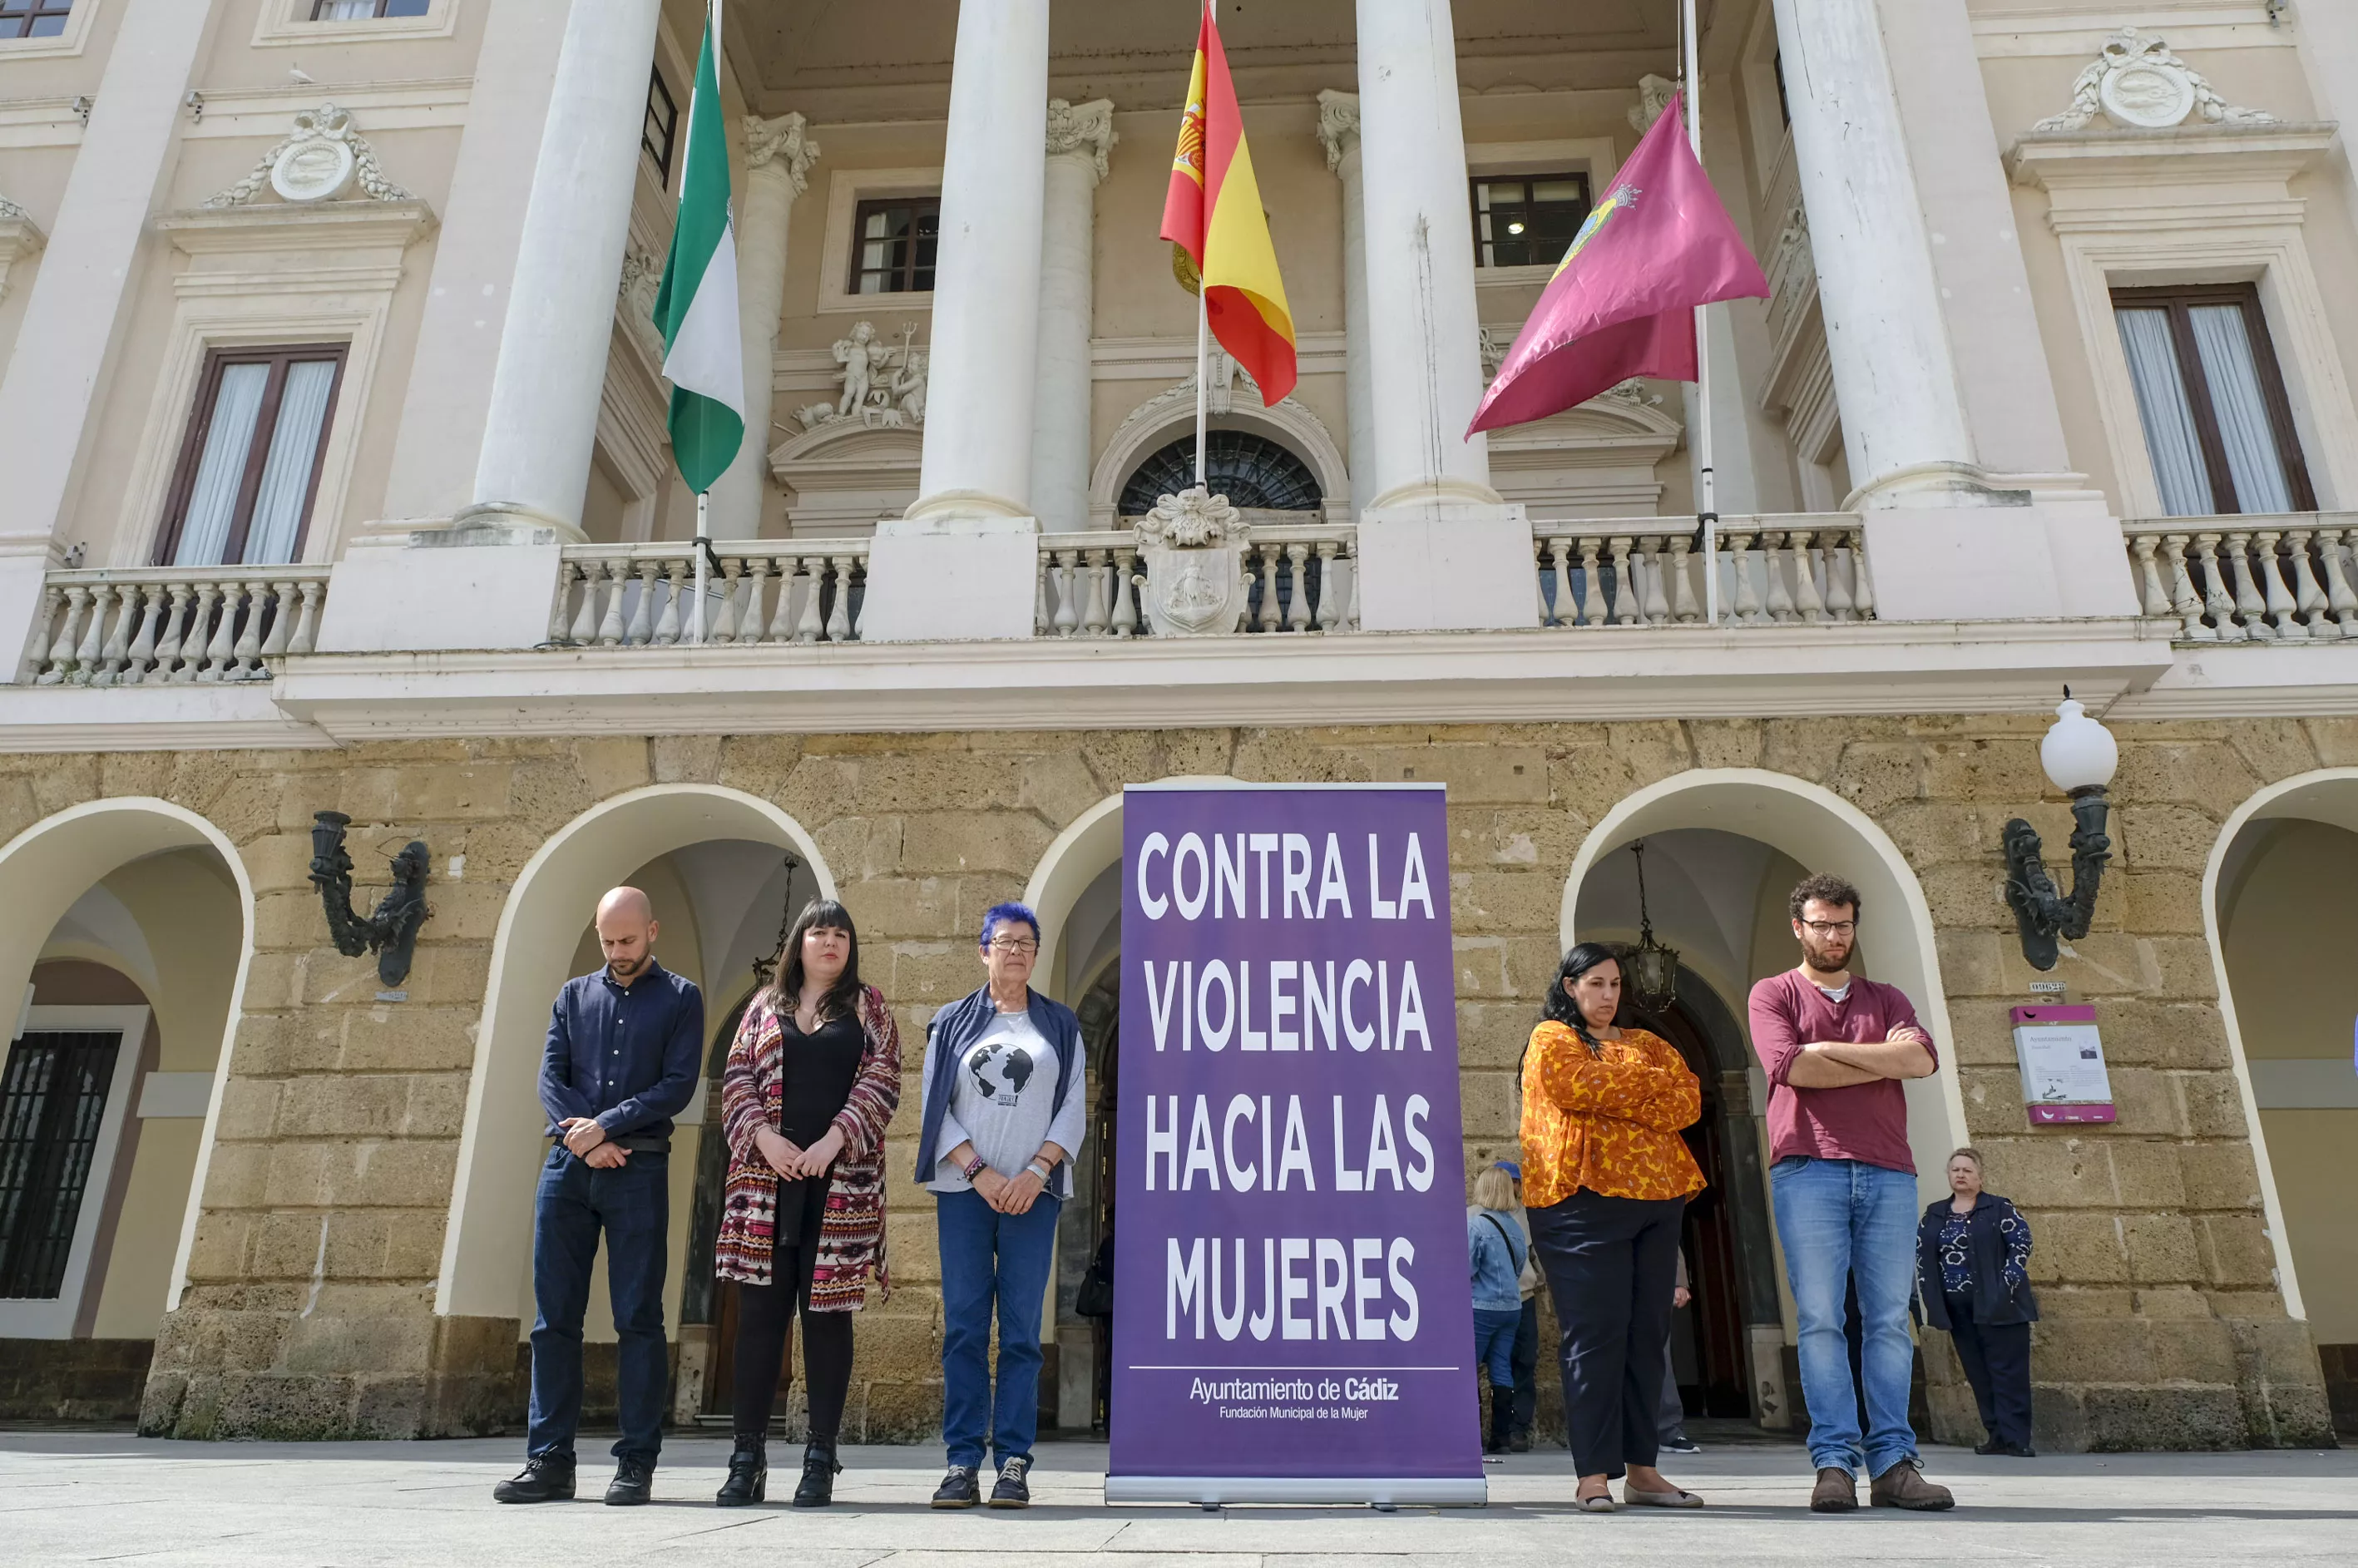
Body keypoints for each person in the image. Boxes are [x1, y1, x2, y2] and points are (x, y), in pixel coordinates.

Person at [1748, 872, 1954, 1514]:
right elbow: (1791, 1067)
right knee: (1818, 1320)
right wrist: (1875, 1055)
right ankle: (1833, 1460)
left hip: (1890, 1169)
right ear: (1797, 927)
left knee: (1890, 1321)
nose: (1832, 935)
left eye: (1841, 925)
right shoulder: (1771, 992)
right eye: (1820, 924)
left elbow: (1920, 1062)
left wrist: (1832, 1050)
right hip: (1807, 1168)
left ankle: (1893, 1461)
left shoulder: (1886, 996)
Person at [497, 887, 702, 1506]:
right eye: (608, 941)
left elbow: (677, 1083)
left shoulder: (683, 998)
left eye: (628, 940)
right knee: (553, 1319)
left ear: (653, 930)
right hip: (566, 1169)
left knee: (638, 1317)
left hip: (638, 1168)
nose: (617, 952)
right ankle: (549, 1459)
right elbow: (549, 1078)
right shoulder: (572, 996)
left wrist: (606, 1127)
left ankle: (635, 1462)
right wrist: (584, 1140)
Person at [712, 899, 902, 1508]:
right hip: (767, 1185)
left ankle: (820, 1454)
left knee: (827, 1320)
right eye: (819, 931)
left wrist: (833, 1139)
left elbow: (883, 1079)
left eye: (841, 933)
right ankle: (747, 1457)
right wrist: (766, 1140)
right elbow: (736, 1076)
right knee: (760, 1321)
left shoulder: (869, 1007)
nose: (830, 941)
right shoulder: (762, 1007)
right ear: (799, 941)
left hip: (840, 1183)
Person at [1520, 942, 1707, 1511]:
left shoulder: (1648, 1042)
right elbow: (1575, 1086)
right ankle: (1592, 1474)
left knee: (1646, 1336)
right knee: (1594, 1336)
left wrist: (1621, 1095)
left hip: (1657, 1197)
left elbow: (1688, 1101)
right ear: (1570, 985)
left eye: (1615, 984)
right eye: (1595, 983)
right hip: (1581, 1201)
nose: (1607, 995)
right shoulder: (1552, 1036)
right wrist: (1646, 1091)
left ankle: (1643, 1470)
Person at [915, 902, 1088, 1510]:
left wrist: (1036, 1170)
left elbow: (1072, 1106)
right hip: (967, 1193)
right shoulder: (951, 1021)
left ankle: (1012, 1461)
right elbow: (936, 1106)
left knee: (1019, 1334)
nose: (1015, 951)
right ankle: (961, 1461)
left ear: (1035, 954)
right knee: (964, 1327)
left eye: (1026, 943)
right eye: (1004, 941)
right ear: (983, 950)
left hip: (1031, 1196)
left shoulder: (1059, 1025)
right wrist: (980, 1171)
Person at [1917, 1148, 2039, 1457]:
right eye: (1955, 1169)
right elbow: (1922, 1256)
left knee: (2007, 1371)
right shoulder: (1934, 1214)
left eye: (1968, 1170)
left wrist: (2006, 1283)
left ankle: (2016, 1438)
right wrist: (1932, 1298)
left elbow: (2021, 1243)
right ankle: (1995, 1434)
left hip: (2001, 1305)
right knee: (1978, 1371)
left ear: (1980, 1177)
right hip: (1957, 1308)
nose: (1960, 1174)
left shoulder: (2000, 1209)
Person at [1467, 1164, 1530, 1455]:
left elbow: (1466, 1268)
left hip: (1481, 1305)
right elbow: (1519, 1268)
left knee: (1468, 1368)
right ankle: (1501, 1437)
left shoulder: (1476, 1225)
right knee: (1502, 1368)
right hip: (1512, 1307)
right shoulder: (1515, 1228)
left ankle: (1468, 1435)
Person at [1493, 1160, 1542, 1452]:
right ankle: (1496, 1430)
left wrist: (1537, 1279)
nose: (1513, 1189)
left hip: (1524, 1299)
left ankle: (1518, 1428)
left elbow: (1537, 1255)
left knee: (1524, 1363)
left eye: (1516, 1183)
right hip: (1491, 1303)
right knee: (1496, 1365)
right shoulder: (1477, 1217)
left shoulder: (1528, 1217)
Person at [1658, 1246, 1701, 1454]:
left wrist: (1678, 1282)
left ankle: (1668, 1431)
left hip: (1649, 1279)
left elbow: (1668, 1232)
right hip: (1604, 1277)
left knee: (1658, 1356)